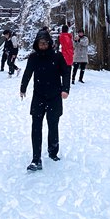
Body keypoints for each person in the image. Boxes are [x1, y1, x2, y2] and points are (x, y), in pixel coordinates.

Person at [19, 29, 70, 171]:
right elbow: (28, 73)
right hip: (39, 96)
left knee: (53, 124)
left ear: (49, 43)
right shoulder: (34, 57)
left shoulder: (57, 57)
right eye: (40, 43)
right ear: (36, 44)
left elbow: (66, 72)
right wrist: (23, 88)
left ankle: (53, 151)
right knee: (36, 126)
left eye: (45, 43)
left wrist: (65, 89)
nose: (42, 45)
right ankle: (36, 158)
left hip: (54, 96)